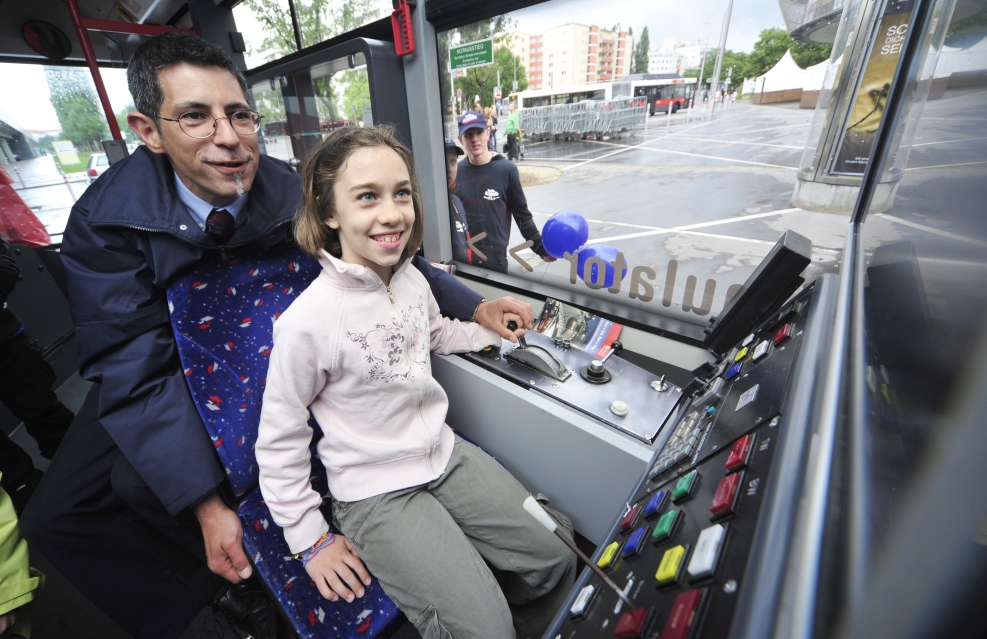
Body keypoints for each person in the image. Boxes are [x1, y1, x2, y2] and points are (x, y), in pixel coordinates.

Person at [19, 33, 535, 639]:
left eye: (239, 115)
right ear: (149, 131)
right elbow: (130, 360)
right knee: (73, 509)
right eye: (195, 117)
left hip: (275, 332)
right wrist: (206, 505)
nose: (229, 138)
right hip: (161, 354)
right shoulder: (103, 222)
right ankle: (211, 611)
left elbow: (389, 261)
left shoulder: (290, 187)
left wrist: (476, 309)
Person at [255, 125, 577, 639]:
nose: (392, 213)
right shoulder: (306, 323)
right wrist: (308, 536)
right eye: (367, 197)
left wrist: (487, 332)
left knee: (559, 553)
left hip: (443, 455)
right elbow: (279, 438)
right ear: (329, 213)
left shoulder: (409, 278)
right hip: (375, 493)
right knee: (486, 631)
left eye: (401, 193)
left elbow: (433, 333)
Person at [0, 238, 73, 515]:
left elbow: (4, 264)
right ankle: (34, 502)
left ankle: (90, 474)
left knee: (48, 416)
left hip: (6, 347)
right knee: (6, 465)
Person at [455, 110, 554, 274]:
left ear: (488, 132)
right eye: (468, 134)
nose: (474, 139)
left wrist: (539, 247)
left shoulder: (506, 170)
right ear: (460, 139)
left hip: (496, 261)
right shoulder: (455, 173)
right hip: (464, 262)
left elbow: (521, 214)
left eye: (479, 132)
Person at [444, 137, 472, 264]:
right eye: (443, 161)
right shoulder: (428, 207)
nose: (449, 168)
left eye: (453, 161)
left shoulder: (456, 201)